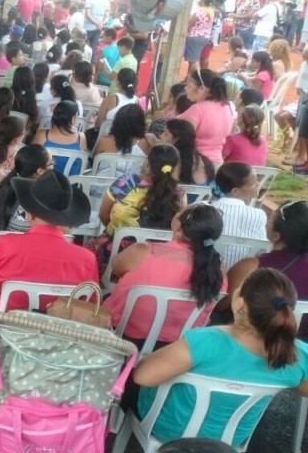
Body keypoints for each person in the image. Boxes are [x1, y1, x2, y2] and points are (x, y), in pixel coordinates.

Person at [131, 268, 308, 444]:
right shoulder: (297, 354)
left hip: (170, 432)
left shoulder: (205, 341)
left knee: (127, 381)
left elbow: (142, 376)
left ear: (240, 303)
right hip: (231, 440)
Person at [107, 203, 226, 346]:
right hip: (178, 346)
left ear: (177, 225)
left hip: (122, 337)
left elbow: (116, 268)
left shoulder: (141, 252)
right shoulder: (218, 270)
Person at [0, 170, 98, 311]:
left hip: (1, 321)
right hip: (59, 324)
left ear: (30, 215)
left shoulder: (4, 244)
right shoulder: (87, 260)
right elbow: (90, 301)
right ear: (65, 220)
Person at [94, 144, 184, 268]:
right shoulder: (179, 195)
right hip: (157, 263)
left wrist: (120, 232)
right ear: (174, 169)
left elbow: (103, 215)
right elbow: (181, 228)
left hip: (114, 256)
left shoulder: (125, 183)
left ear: (147, 165)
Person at [208, 162, 267, 268]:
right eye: (253, 183)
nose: (258, 184)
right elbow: (262, 249)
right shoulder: (258, 215)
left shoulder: (203, 209)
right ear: (235, 191)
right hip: (241, 273)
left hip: (206, 269)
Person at [91, 104, 150, 176]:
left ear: (116, 121)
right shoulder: (146, 144)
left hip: (101, 181)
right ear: (140, 123)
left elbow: (94, 163)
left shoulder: (104, 142)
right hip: (132, 183)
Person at [33, 100, 86, 176]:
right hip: (71, 182)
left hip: (45, 180)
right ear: (73, 118)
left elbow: (32, 158)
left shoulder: (42, 135)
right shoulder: (81, 138)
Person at [163, 119, 215, 187]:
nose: (161, 136)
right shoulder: (204, 161)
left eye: (165, 134)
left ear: (176, 139)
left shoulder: (173, 162)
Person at [94, 67, 139, 138]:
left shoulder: (110, 99)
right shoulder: (137, 101)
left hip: (105, 139)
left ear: (118, 82)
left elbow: (98, 124)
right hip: (126, 141)